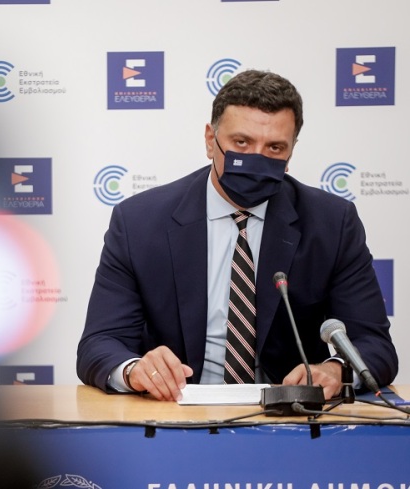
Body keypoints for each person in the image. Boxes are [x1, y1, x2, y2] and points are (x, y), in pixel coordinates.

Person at [77, 69, 398, 402]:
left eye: (275, 147)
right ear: (209, 140)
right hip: (176, 410)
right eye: (241, 143)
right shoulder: (140, 222)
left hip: (289, 415)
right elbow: (100, 344)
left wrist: (335, 369)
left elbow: (374, 345)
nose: (256, 159)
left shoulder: (331, 223)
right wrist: (135, 370)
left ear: (291, 152)